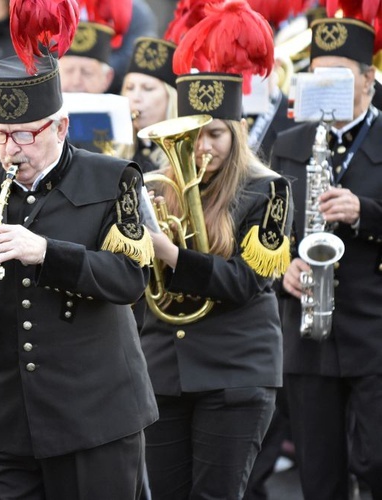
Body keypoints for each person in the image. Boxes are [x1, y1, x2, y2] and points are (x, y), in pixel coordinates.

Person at [0, 49, 158, 499]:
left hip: (94, 416)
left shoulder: (114, 179)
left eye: (26, 136)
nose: (11, 149)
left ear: (61, 127)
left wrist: (47, 253)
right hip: (2, 421)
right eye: (0, 135)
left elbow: (131, 279)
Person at [140, 2, 292, 498]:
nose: (202, 147)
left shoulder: (267, 191)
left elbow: (246, 283)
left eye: (215, 134)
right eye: (193, 134)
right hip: (164, 369)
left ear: (237, 132)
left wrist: (169, 253)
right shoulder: (158, 186)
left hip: (235, 371)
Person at [271, 14, 382, 500]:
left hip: (373, 327)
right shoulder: (290, 141)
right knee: (318, 475)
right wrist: (282, 269)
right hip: (308, 331)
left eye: (339, 75)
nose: (327, 86)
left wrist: (366, 213)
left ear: (367, 81)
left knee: (376, 460)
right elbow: (264, 231)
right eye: (317, 74)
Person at [121, 36, 178, 173]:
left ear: (170, 97)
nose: (136, 97)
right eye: (129, 88)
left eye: (148, 89)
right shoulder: (113, 148)